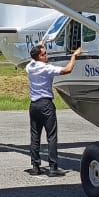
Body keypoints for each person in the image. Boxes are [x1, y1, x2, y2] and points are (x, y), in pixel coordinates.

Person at [25, 44, 83, 176]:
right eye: (44, 54)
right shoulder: (47, 68)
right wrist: (74, 56)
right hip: (46, 104)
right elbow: (67, 69)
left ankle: (35, 166)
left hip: (34, 105)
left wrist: (40, 45)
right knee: (51, 136)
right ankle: (53, 167)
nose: (47, 56)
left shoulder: (30, 67)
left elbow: (32, 59)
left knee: (35, 136)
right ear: (39, 56)